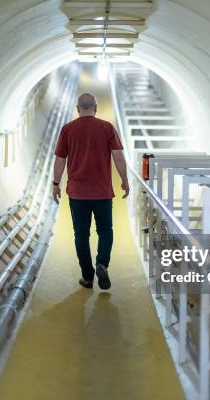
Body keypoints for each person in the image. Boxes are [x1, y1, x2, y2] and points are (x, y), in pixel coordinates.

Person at [52, 93, 130, 290]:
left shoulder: (67, 129)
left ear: (78, 108)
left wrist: (55, 184)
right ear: (95, 107)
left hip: (77, 194)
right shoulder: (106, 128)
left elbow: (60, 160)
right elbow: (118, 156)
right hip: (102, 192)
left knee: (81, 235)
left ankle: (88, 277)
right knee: (105, 231)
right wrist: (125, 180)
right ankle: (102, 263)